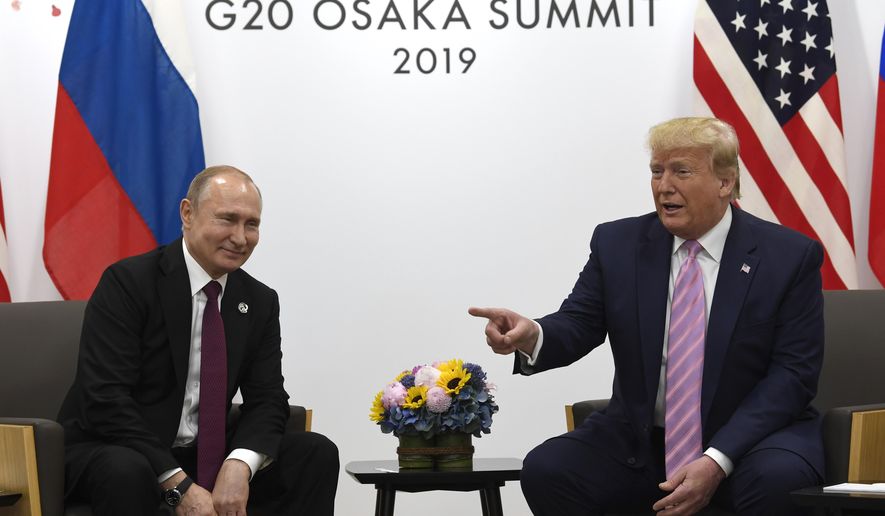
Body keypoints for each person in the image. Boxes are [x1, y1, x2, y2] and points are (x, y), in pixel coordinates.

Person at [470, 117, 824, 515]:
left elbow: (793, 374)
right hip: (642, 441)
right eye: (657, 171)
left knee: (778, 479)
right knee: (548, 470)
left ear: (725, 182)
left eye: (681, 172)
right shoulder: (618, 244)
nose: (664, 186)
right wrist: (532, 334)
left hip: (749, 441)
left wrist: (716, 459)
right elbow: (579, 323)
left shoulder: (788, 257)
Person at [58, 166, 339, 515]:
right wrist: (178, 484)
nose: (240, 238)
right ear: (188, 214)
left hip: (203, 453)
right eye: (227, 219)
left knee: (315, 453)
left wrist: (240, 463)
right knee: (127, 470)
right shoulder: (128, 283)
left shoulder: (259, 301)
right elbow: (105, 399)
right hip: (116, 446)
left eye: (251, 225)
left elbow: (268, 398)